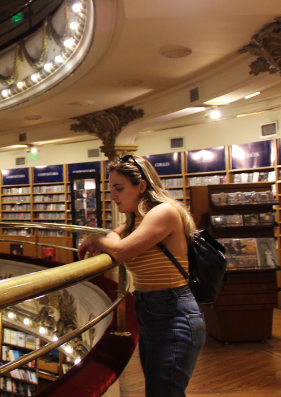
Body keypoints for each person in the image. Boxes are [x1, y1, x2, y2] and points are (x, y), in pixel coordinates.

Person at [78, 155, 205, 397]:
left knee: (164, 391)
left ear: (142, 186)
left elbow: (121, 250)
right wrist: (104, 238)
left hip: (174, 312)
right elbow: (113, 239)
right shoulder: (134, 221)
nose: (112, 196)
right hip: (152, 313)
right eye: (111, 189)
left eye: (119, 188)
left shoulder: (163, 212)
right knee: (159, 390)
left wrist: (96, 237)